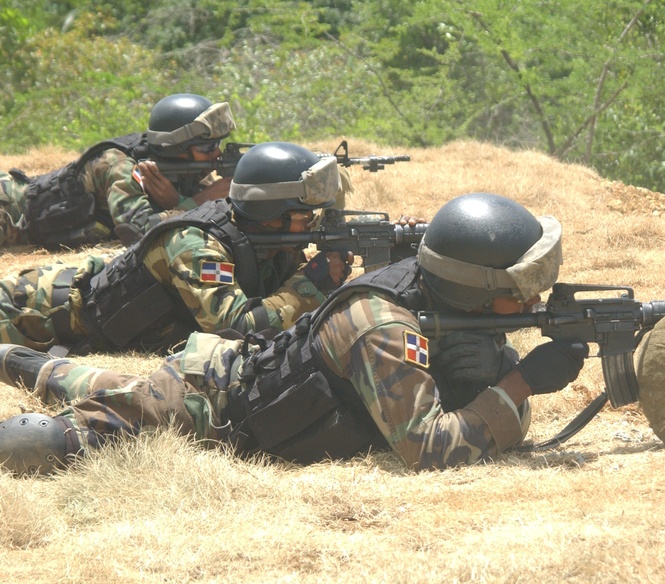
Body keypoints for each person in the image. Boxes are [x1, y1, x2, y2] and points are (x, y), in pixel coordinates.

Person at [0, 193, 589, 474]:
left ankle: (24, 363)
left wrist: (491, 371)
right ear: (472, 285)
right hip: (211, 408)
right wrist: (518, 385)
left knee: (119, 384)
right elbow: (427, 449)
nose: (533, 299)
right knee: (47, 441)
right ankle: (28, 369)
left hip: (228, 373)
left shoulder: (438, 295)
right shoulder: (382, 327)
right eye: (520, 286)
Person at [0, 141, 353, 356]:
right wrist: (310, 283)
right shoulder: (196, 246)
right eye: (306, 216)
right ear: (271, 216)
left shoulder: (265, 242)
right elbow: (233, 328)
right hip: (35, 310)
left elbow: (276, 301)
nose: (313, 224)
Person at [0, 93, 236, 249]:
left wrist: (179, 202)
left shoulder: (188, 168)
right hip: (11, 212)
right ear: (176, 148)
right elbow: (137, 232)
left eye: (218, 144)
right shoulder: (120, 166)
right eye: (207, 147)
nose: (216, 153)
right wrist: (196, 202)